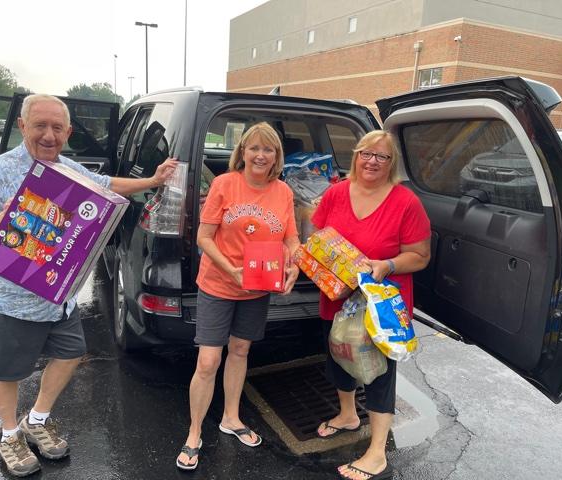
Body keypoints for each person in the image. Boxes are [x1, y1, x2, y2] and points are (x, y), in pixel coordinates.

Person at [0, 94, 178, 477]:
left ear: (68, 132)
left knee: (72, 353)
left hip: (56, 295)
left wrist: (153, 180)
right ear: (22, 127)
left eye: (57, 128)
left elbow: (106, 183)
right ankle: (9, 435)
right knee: (7, 372)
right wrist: (9, 214)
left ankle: (36, 420)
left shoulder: (66, 169)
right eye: (40, 126)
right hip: (8, 298)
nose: (49, 135)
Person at [176, 122, 300, 470]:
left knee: (241, 350)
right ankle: (194, 432)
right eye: (254, 148)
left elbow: (291, 239)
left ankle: (231, 418)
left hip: (258, 285)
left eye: (268, 149)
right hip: (218, 283)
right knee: (208, 361)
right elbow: (204, 238)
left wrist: (294, 264)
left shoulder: (283, 192)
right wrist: (231, 271)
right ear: (242, 151)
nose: (260, 155)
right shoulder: (224, 184)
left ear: (276, 156)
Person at [311, 130, 431, 480]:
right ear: (356, 155)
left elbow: (420, 256)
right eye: (366, 153)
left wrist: (387, 265)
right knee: (339, 355)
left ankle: (377, 452)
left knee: (379, 375)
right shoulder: (336, 193)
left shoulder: (406, 202)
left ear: (392, 163)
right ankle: (348, 415)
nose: (372, 161)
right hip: (338, 298)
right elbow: (317, 235)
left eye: (382, 156)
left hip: (380, 307)